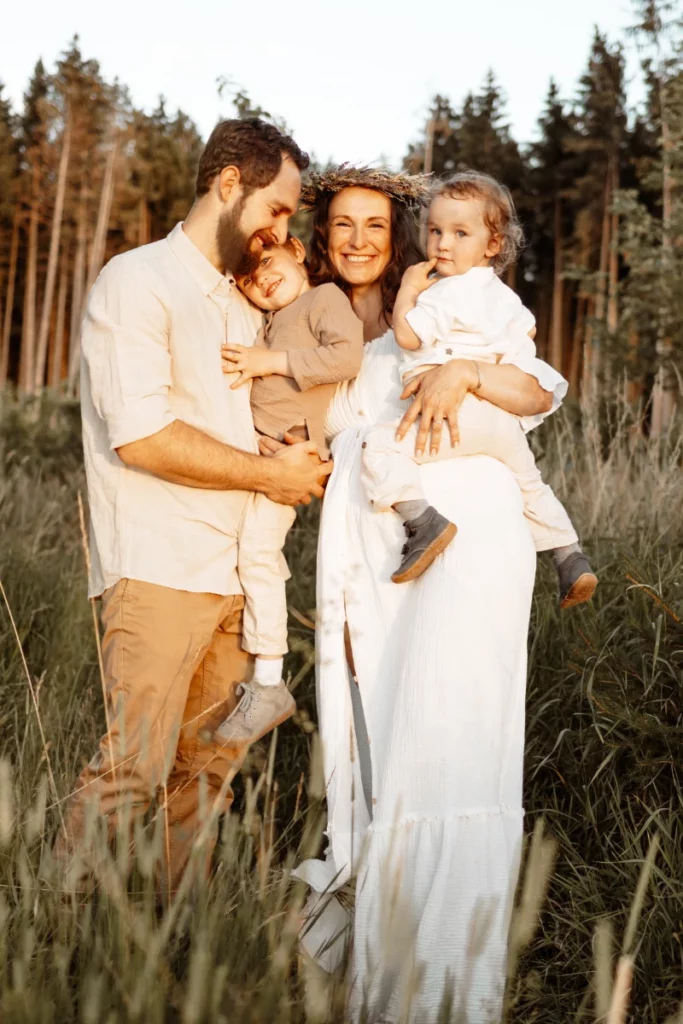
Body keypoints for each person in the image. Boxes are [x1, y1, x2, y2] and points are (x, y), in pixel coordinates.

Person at [289, 166, 574, 1023]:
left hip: (471, 555)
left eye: (381, 228)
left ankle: (453, 984)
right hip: (378, 572)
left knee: (454, 740)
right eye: (349, 228)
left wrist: (467, 379)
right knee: (394, 750)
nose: (371, 245)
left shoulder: (469, 326)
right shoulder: (358, 343)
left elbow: (537, 389)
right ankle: (386, 968)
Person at [54, 118, 331, 899]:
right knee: (131, 770)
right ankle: (54, 942)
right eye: (277, 209)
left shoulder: (252, 304)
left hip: (238, 576)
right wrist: (268, 477)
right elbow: (140, 437)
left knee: (205, 779)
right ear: (229, 185)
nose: (282, 229)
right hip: (160, 565)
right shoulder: (137, 281)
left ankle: (183, 954)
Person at [361, 170, 598, 607]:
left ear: (492, 244)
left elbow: (410, 337)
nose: (442, 244)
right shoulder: (505, 299)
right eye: (435, 230)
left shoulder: (443, 292)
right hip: (499, 424)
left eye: (459, 233)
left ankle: (422, 521)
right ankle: (568, 555)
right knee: (531, 485)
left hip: (448, 415)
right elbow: (524, 346)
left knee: (378, 445)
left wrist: (408, 294)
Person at [212, 234, 363, 745]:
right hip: (263, 450)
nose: (263, 280)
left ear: (297, 250)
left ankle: (271, 680)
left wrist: (267, 362)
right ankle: (259, 666)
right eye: (250, 279)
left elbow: (346, 358)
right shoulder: (268, 319)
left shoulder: (324, 298)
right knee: (252, 555)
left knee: (257, 555)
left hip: (293, 452)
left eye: (268, 263)